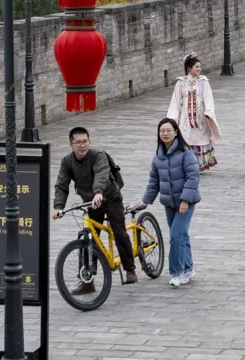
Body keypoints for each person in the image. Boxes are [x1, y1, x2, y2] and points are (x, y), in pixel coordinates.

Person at [53, 127, 136, 289]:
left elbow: (102, 174)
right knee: (88, 238)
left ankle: (130, 269)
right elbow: (62, 185)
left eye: (85, 141)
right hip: (90, 202)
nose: (82, 145)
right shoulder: (67, 161)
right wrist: (58, 207)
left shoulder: (98, 155)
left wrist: (98, 192)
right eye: (78, 142)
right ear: (71, 145)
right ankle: (87, 281)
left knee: (118, 231)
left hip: (110, 197)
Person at [140, 118, 200, 287]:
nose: (165, 134)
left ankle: (177, 273)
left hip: (185, 203)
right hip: (169, 203)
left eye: (168, 130)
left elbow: (193, 177)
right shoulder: (158, 156)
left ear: (176, 132)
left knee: (175, 237)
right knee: (181, 236)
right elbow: (154, 181)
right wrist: (145, 201)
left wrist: (185, 200)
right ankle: (188, 269)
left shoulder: (185, 153)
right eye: (162, 131)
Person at [167, 53, 222, 171]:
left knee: (200, 137)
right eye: (196, 67)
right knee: (185, 137)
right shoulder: (181, 83)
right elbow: (176, 101)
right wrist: (172, 119)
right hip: (186, 117)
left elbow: (208, 98)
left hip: (200, 117)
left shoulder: (203, 82)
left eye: (200, 67)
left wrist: (208, 111)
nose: (199, 69)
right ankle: (185, 164)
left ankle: (198, 164)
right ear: (189, 68)